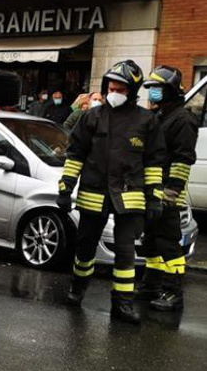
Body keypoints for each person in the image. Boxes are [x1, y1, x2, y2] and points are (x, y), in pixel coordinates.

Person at [57, 60, 165, 324]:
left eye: (120, 89)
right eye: (111, 88)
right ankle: (77, 290)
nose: (113, 93)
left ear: (132, 91)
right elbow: (75, 155)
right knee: (85, 248)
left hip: (130, 196)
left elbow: (153, 163)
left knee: (126, 251)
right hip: (94, 194)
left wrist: (155, 198)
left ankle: (122, 303)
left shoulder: (146, 121)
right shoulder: (91, 117)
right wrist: (65, 188)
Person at [136, 66, 198, 312]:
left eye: (157, 88)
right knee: (152, 241)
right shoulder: (162, 116)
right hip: (152, 190)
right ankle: (151, 286)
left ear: (170, 90)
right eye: (151, 88)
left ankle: (173, 292)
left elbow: (183, 160)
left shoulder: (183, 119)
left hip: (167, 194)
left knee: (168, 242)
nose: (152, 92)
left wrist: (171, 194)